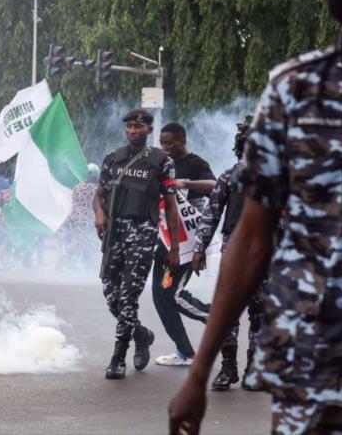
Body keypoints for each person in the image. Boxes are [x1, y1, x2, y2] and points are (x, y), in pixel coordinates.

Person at [169, 0, 342, 432]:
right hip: (314, 366)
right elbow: (248, 237)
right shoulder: (296, 90)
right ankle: (232, 367)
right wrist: (198, 373)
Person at [93, 108, 179, 380]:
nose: (133, 131)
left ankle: (118, 357)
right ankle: (142, 335)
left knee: (129, 295)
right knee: (112, 296)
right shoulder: (112, 158)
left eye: (138, 127)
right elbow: (99, 194)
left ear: (149, 130)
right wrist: (99, 214)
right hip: (114, 233)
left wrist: (174, 248)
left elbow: (172, 206)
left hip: (143, 232)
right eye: (129, 127)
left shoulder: (161, 161)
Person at [189, 116, 257, 391]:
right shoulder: (230, 177)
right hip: (235, 251)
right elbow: (211, 214)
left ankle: (254, 368)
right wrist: (199, 248)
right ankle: (229, 367)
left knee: (261, 313)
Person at [151, 122, 217, 368]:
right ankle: (184, 351)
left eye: (171, 142)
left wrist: (183, 184)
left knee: (171, 294)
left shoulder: (196, 164)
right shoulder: (159, 163)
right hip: (165, 240)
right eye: (163, 142)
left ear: (182, 140)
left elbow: (215, 187)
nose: (166, 147)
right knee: (161, 296)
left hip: (187, 242)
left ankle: (215, 317)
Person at [60, 163, 100, 269]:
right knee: (85, 242)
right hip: (87, 219)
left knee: (79, 240)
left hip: (74, 216)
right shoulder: (95, 189)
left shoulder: (77, 186)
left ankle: (83, 263)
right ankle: (67, 263)